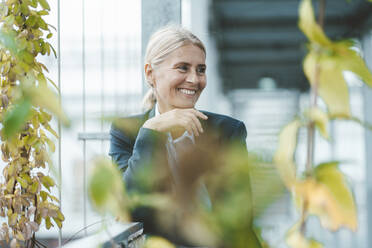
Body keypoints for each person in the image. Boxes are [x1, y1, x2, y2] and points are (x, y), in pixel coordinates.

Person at [109, 25, 261, 247]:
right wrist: (151, 131)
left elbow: (239, 219)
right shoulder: (128, 132)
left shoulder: (228, 131)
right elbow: (131, 209)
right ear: (150, 74)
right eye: (182, 68)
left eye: (200, 70)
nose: (194, 79)